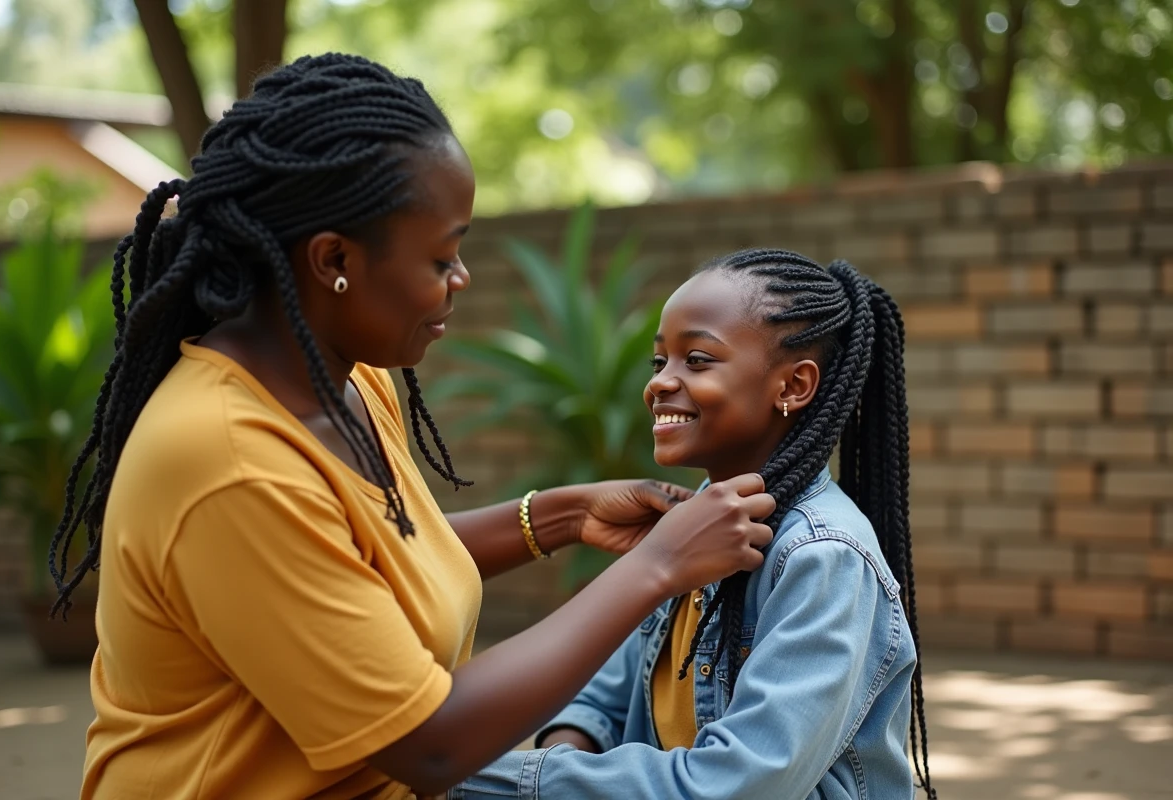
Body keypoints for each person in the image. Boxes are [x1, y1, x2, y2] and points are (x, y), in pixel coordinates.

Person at [47, 54, 779, 800]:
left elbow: (356, 570)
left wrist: (562, 515)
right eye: (441, 256)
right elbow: (428, 744)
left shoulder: (349, 384)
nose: (460, 279)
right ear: (333, 259)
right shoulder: (226, 459)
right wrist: (656, 567)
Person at [452, 249, 938, 799]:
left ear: (794, 386)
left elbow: (739, 785)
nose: (661, 382)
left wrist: (473, 784)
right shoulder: (695, 522)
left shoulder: (822, 558)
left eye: (698, 360)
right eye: (660, 361)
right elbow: (605, 698)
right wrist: (567, 750)